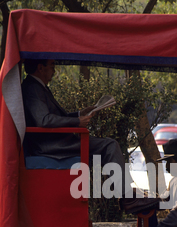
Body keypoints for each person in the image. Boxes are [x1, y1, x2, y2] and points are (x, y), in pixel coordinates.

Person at [21, 59, 159, 214]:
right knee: (109, 145)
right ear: (40, 67)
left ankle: (125, 193)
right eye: (52, 66)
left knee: (107, 148)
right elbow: (44, 120)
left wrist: (80, 114)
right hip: (51, 145)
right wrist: (77, 121)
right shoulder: (33, 88)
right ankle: (127, 197)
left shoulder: (39, 87)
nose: (54, 71)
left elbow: (54, 117)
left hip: (55, 140)